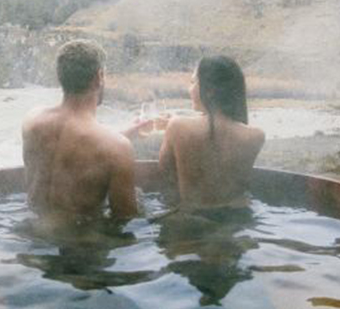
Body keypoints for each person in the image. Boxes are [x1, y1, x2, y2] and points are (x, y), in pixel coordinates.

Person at [22, 40, 147, 220]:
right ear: (99, 76)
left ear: (61, 76)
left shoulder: (31, 121)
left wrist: (126, 133)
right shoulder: (117, 148)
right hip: (83, 241)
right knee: (139, 197)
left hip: (32, 233)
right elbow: (126, 218)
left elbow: (67, 146)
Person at [158, 55, 265, 208]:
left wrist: (171, 127)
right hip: (237, 222)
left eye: (193, 82)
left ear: (209, 91)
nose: (190, 89)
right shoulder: (256, 136)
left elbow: (166, 175)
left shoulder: (178, 126)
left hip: (190, 222)